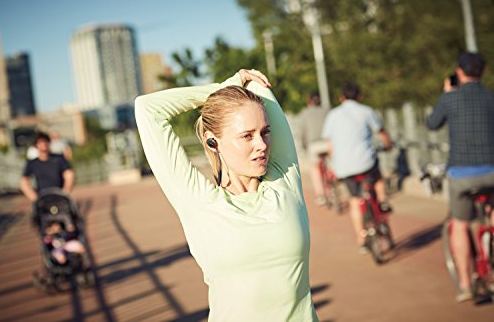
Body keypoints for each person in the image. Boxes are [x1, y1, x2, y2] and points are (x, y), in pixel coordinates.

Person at [135, 69, 319, 321]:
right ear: (213, 142)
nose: (262, 145)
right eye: (247, 136)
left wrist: (242, 87)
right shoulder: (198, 201)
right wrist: (226, 86)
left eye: (265, 132)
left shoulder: (284, 179)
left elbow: (259, 86)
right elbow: (147, 108)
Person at [426, 52, 494, 302]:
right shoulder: (490, 97)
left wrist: (446, 92)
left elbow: (432, 124)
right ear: (482, 72)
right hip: (492, 170)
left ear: (460, 72)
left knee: (460, 224)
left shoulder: (450, 99)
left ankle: (465, 285)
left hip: (462, 174)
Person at [321, 81, 392, 253]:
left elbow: (329, 144)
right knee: (378, 178)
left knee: (354, 200)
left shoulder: (333, 115)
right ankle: (382, 202)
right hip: (366, 163)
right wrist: (388, 145)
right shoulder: (367, 111)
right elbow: (382, 133)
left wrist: (333, 162)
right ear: (359, 96)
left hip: (344, 167)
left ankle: (361, 239)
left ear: (341, 98)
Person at [20, 132, 75, 202]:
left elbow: (69, 174)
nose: (43, 144)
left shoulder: (59, 158)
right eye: (40, 142)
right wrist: (35, 198)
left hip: (59, 195)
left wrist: (65, 192)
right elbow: (24, 181)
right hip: (42, 197)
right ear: (36, 145)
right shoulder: (32, 163)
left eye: (45, 141)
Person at [298, 91, 330, 205]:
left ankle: (320, 195)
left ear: (309, 101)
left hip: (314, 145)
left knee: (315, 169)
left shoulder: (305, 113)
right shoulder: (327, 111)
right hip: (328, 144)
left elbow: (302, 131)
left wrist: (302, 145)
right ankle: (332, 186)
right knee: (328, 165)